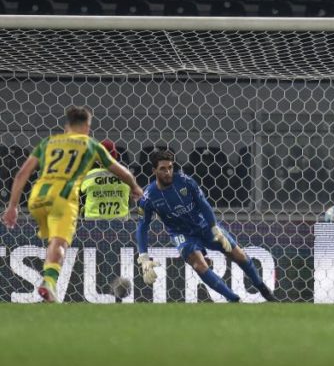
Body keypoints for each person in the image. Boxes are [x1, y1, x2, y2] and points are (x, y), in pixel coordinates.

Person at [1, 106, 142, 303]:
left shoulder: (48, 142)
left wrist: (13, 206)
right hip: (63, 198)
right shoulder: (90, 144)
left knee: (51, 240)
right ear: (87, 126)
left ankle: (49, 280)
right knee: (59, 243)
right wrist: (135, 187)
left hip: (38, 197)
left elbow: (21, 174)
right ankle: (49, 281)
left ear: (67, 125)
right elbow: (123, 172)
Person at [136, 150, 276, 302]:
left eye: (170, 167)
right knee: (199, 265)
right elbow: (142, 226)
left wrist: (215, 228)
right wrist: (143, 256)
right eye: (163, 169)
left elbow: (204, 205)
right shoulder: (148, 197)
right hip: (181, 233)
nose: (168, 172)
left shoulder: (185, 181)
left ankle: (262, 288)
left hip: (204, 225)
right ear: (154, 170)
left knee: (238, 255)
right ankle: (234, 299)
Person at [80, 139, 132, 220]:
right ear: (116, 156)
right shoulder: (126, 175)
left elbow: (81, 198)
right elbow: (130, 199)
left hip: (92, 222)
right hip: (121, 222)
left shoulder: (89, 175)